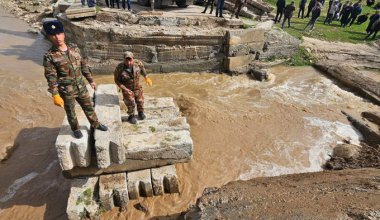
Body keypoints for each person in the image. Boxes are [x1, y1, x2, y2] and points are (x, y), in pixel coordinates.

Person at [42, 20, 108, 139]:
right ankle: (76, 129)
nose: (57, 37)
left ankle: (96, 124)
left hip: (81, 86)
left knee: (88, 107)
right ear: (49, 37)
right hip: (66, 90)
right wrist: (55, 94)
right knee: (71, 111)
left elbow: (83, 66)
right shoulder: (50, 56)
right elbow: (50, 76)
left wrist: (90, 80)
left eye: (59, 33)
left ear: (63, 34)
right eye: (53, 35)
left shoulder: (75, 48)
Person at [114, 51, 153, 124]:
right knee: (131, 102)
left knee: (140, 100)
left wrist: (146, 77)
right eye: (126, 60)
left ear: (133, 59)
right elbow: (117, 80)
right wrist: (124, 89)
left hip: (137, 87)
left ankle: (140, 112)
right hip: (127, 88)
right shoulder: (119, 68)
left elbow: (142, 69)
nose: (128, 62)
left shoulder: (137, 63)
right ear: (124, 60)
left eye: (130, 60)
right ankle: (131, 116)